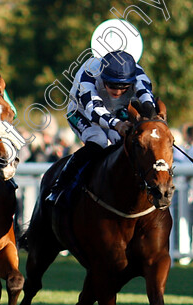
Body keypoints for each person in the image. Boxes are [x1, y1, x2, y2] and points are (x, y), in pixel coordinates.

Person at [46, 49, 157, 203]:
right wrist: (117, 124)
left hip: (115, 111)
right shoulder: (89, 72)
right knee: (98, 141)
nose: (118, 91)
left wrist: (150, 114)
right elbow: (94, 110)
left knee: (123, 144)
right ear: (103, 77)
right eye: (112, 85)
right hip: (82, 111)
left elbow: (147, 96)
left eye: (124, 86)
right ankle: (60, 186)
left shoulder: (137, 72)